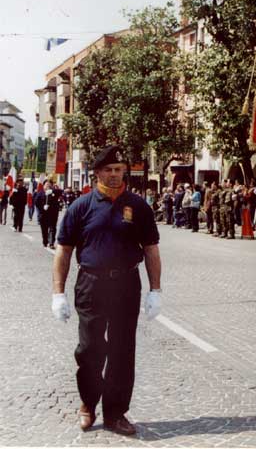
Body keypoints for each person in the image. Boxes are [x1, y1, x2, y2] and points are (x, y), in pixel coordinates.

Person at [51, 145, 162, 436]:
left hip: (126, 285)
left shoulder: (138, 206)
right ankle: (88, 403)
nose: (115, 175)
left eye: (119, 170)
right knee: (89, 349)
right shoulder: (81, 206)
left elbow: (151, 249)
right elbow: (63, 251)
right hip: (91, 285)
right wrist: (58, 293)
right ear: (97, 172)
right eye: (109, 170)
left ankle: (116, 413)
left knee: (122, 351)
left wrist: (156, 290)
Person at [35, 180, 61, 248]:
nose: (48, 186)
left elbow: (60, 192)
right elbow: (36, 202)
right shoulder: (40, 193)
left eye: (50, 185)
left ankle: (51, 242)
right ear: (44, 186)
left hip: (53, 214)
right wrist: (42, 207)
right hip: (43, 214)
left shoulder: (54, 192)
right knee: (44, 229)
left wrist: (52, 191)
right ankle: (45, 241)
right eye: (47, 184)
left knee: (52, 228)